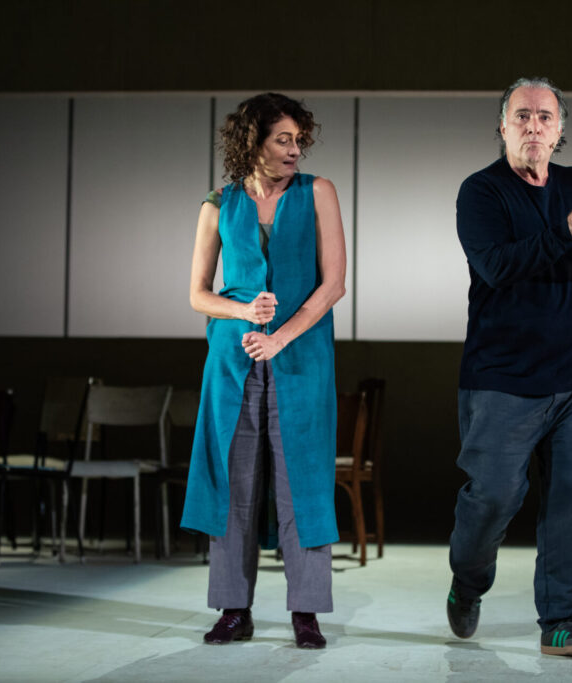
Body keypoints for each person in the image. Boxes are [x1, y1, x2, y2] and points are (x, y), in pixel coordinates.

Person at [447, 77, 572, 658]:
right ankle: (468, 581)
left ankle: (564, 621)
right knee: (492, 499)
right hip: (502, 381)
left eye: (545, 117)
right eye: (522, 116)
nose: (534, 126)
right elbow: (498, 267)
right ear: (502, 127)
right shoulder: (481, 192)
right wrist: (567, 229)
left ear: (560, 131)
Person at [181, 93, 346, 649]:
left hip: (301, 358)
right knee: (233, 484)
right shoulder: (217, 204)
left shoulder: (318, 192)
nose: (295, 150)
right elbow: (198, 295)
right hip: (232, 362)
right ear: (253, 142)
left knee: (304, 481)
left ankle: (306, 612)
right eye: (283, 139)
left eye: (299, 140)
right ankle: (234, 609)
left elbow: (334, 284)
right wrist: (244, 312)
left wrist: (279, 336)